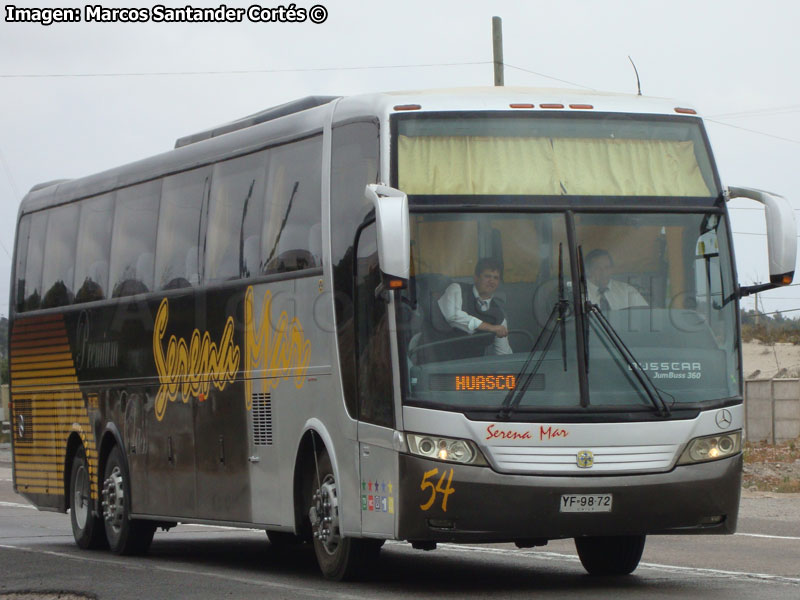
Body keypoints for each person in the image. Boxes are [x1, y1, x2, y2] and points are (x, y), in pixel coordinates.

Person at [435, 257, 512, 356]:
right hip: (438, 362)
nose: (492, 281)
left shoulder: (499, 316)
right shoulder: (457, 289)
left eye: (496, 278)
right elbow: (453, 316)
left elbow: (503, 353)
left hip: (471, 367)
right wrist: (490, 328)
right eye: (487, 276)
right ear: (476, 277)